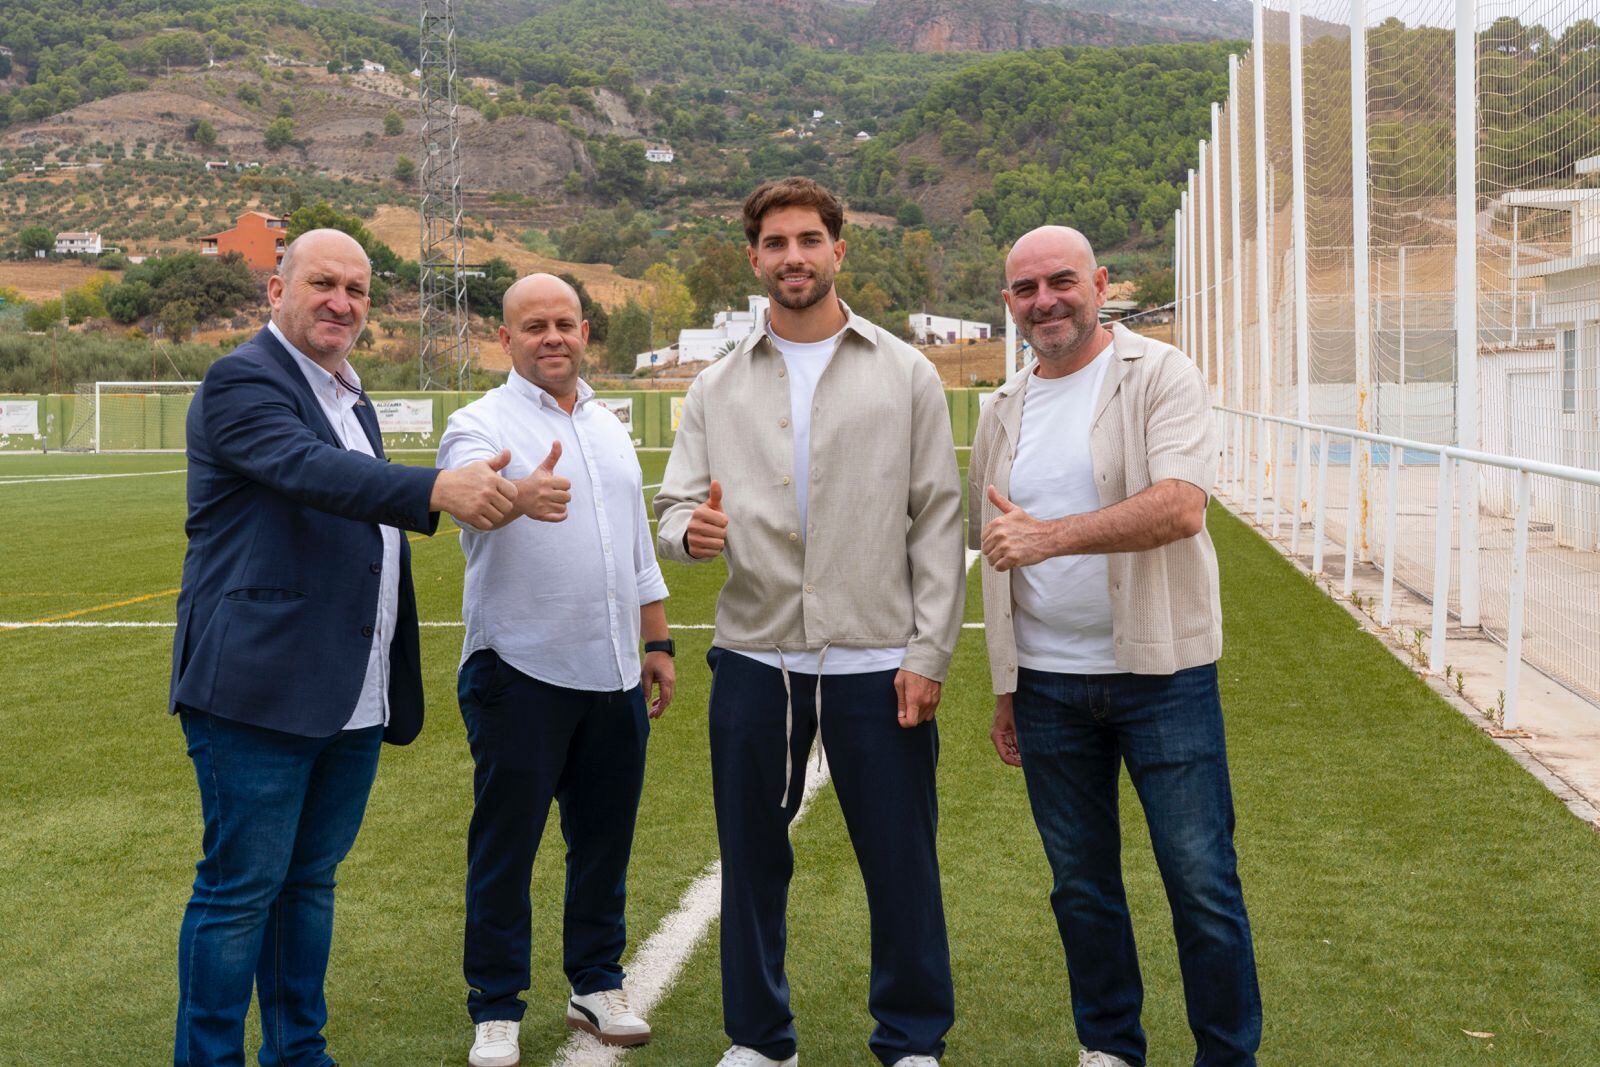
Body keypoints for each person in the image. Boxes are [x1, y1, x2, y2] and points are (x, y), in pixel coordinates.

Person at [169, 228, 518, 1067]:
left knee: (308, 883)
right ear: (275, 291)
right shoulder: (243, 380)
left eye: (358, 289)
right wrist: (436, 487)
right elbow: (309, 471)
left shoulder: (350, 396)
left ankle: (299, 1053)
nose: (342, 302)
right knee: (240, 889)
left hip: (350, 688)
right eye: (323, 282)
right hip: (257, 686)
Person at [654, 177, 964, 1067]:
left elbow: (939, 519)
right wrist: (689, 533)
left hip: (878, 658)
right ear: (754, 258)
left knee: (901, 862)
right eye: (775, 242)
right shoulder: (716, 384)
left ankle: (911, 1041)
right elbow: (674, 509)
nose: (793, 256)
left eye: (808, 239)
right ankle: (760, 1040)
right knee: (753, 860)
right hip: (757, 658)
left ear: (838, 249)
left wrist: (930, 651)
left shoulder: (905, 370)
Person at [969, 225, 1261, 1067]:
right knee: (1082, 889)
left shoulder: (1160, 373)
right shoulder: (1004, 406)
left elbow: (1179, 506)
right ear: (1009, 304)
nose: (1045, 301)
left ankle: (1226, 1055)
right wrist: (1005, 687)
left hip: (1161, 675)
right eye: (1025, 289)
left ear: (1099, 283)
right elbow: (998, 550)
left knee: (1202, 884)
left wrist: (1052, 539)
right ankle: (1110, 1048)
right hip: (1049, 688)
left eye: (1061, 281)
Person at [436, 274, 676, 1067]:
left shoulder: (609, 425)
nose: (552, 337)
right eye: (533, 325)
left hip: (612, 672)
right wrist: (513, 491)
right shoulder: (478, 423)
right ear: (503, 339)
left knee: (603, 841)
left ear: (585, 331)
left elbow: (635, 546)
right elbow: (471, 493)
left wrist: (658, 640)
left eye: (564, 323)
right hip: (519, 670)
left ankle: (596, 980)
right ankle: (496, 1005)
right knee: (506, 845)